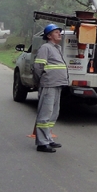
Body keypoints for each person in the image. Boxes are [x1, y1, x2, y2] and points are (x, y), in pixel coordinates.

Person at [33, 24, 69, 153]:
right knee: (45, 114)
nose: (59, 34)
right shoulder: (45, 48)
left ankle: (48, 138)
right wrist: (40, 81)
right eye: (56, 32)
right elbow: (38, 67)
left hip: (57, 84)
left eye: (59, 32)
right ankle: (42, 143)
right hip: (48, 84)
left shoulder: (57, 48)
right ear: (49, 36)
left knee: (53, 114)